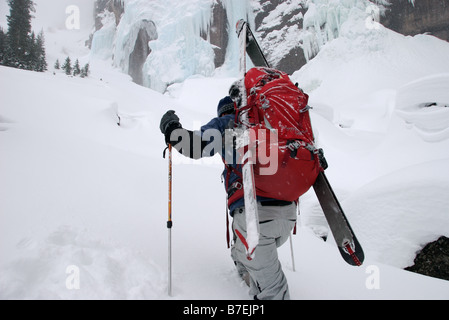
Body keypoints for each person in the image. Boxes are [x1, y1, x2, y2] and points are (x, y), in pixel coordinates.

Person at [159, 96, 297, 300]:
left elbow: (195, 145)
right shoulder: (264, 123)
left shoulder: (227, 123)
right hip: (287, 214)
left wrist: (172, 129)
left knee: (275, 292)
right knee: (242, 254)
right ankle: (254, 279)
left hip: (255, 218)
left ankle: (260, 283)